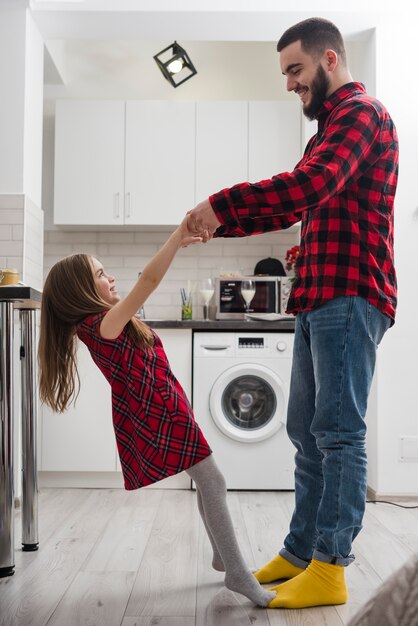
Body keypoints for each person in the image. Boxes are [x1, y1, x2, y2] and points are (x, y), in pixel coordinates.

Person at [187, 17, 398, 610]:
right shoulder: (330, 127)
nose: (289, 84)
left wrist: (219, 204)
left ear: (330, 60)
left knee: (337, 436)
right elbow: (296, 208)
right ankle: (303, 550)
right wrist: (222, 222)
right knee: (306, 433)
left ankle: (331, 566)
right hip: (319, 298)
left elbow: (307, 187)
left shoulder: (362, 115)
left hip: (351, 296)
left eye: (296, 71)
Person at [37, 216, 275, 609]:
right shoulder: (103, 325)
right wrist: (177, 237)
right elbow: (147, 282)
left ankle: (222, 557)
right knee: (212, 479)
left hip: (164, 406)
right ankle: (236, 570)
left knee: (208, 478)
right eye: (100, 274)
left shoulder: (104, 322)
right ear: (83, 289)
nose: (110, 278)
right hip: (159, 412)